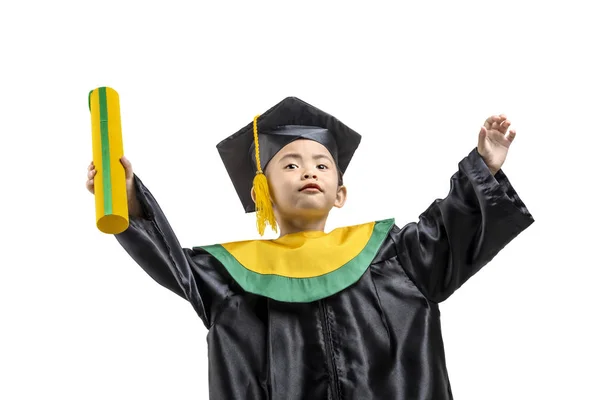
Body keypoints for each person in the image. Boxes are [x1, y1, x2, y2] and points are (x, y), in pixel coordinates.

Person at [86, 96, 534, 399]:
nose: (309, 171)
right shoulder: (232, 274)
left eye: (322, 163)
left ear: (340, 192)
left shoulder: (392, 255)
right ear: (262, 192)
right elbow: (172, 264)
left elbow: (451, 231)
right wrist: (126, 200)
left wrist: (484, 170)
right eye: (291, 164)